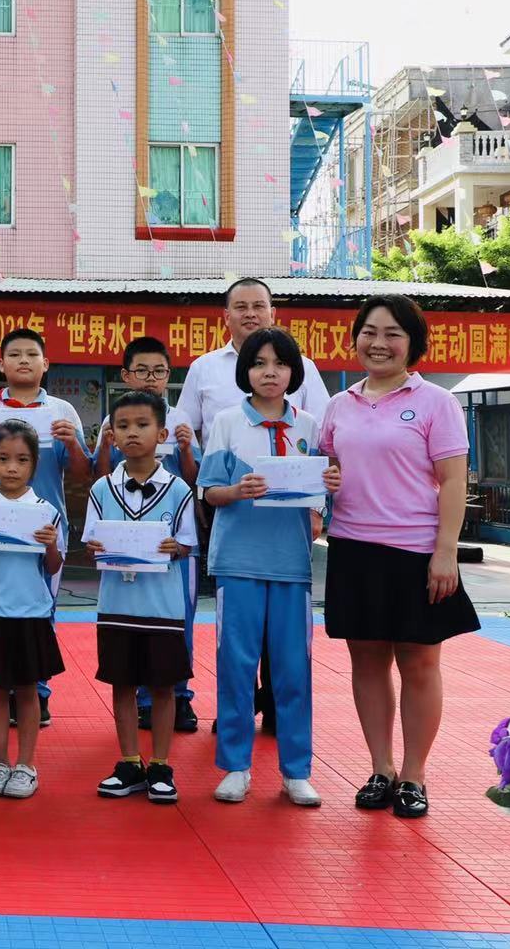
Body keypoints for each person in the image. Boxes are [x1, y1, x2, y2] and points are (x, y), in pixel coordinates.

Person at [319, 295, 480, 820]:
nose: (379, 343)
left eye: (392, 333)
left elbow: (453, 481)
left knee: (419, 662)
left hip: (416, 551)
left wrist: (445, 552)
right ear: (355, 339)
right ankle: (380, 769)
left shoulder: (436, 402)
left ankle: (414, 775)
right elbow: (327, 469)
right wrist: (326, 481)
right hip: (353, 548)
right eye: (369, 331)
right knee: (366, 661)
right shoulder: (339, 405)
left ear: (413, 343)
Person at [176, 277, 329, 737]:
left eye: (258, 305)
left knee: (286, 636)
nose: (250, 313)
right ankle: (237, 715)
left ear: (272, 312)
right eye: (240, 306)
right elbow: (186, 431)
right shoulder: (205, 368)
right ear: (225, 316)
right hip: (233, 513)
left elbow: (322, 441)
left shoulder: (304, 369)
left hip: (288, 527)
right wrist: (211, 491)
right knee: (239, 630)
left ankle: (279, 708)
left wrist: (319, 507)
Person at [198, 328, 342, 807]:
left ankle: (296, 771)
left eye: (280, 364)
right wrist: (236, 491)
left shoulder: (310, 427)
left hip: (292, 565)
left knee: (293, 670)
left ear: (294, 372)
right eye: (259, 363)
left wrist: (330, 486)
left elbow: (322, 493)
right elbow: (208, 492)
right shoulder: (226, 422)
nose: (270, 372)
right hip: (237, 563)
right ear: (246, 371)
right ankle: (235, 767)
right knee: (236, 667)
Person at [0, 328, 90, 728]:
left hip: (44, 528)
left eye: (32, 354)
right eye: (14, 354)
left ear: (45, 364)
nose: (23, 361)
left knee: (42, 610)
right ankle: (2, 687)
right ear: (1, 364)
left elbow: (81, 473)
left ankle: (37, 692)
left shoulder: (62, 411)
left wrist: (74, 444)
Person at [81, 392, 196, 803]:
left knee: (164, 687)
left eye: (143, 425)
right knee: (122, 683)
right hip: (117, 606)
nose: (133, 433)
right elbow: (91, 541)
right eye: (123, 425)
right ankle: (130, 761)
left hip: (162, 607)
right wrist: (97, 547)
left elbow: (187, 543)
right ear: (111, 435)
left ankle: (161, 764)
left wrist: (176, 548)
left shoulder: (179, 489)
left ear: (162, 434)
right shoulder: (101, 488)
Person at [94, 336, 200, 734]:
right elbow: (100, 475)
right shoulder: (114, 420)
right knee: (129, 623)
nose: (150, 378)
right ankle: (140, 700)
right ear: (126, 375)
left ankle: (179, 696)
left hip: (170, 545)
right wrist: (106, 445)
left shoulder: (181, 419)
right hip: (125, 546)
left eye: (158, 371)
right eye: (142, 370)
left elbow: (195, 480)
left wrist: (186, 449)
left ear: (168, 375)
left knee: (176, 620)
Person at [0, 421, 65, 799]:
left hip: (30, 612)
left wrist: (50, 545)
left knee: (27, 690)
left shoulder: (46, 511)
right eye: (3, 459)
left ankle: (26, 765)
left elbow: (53, 567)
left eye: (21, 460)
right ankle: (0, 762)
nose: (12, 468)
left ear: (34, 464)